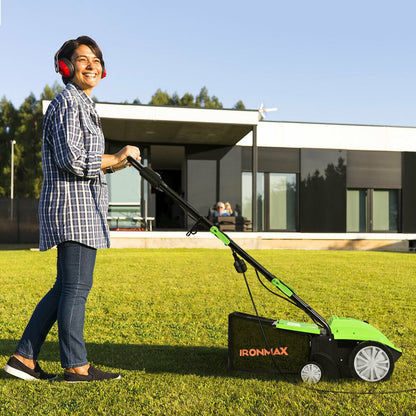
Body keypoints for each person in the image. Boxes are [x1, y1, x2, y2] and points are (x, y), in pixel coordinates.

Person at [4, 36, 141, 382]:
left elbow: (86, 161)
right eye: (82, 59)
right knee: (76, 288)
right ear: (65, 67)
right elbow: (73, 159)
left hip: (81, 206)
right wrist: (116, 156)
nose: (91, 65)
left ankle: (23, 359)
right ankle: (76, 366)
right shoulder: (68, 102)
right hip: (73, 207)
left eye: (96, 59)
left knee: (65, 286)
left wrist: (118, 163)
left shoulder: (82, 104)